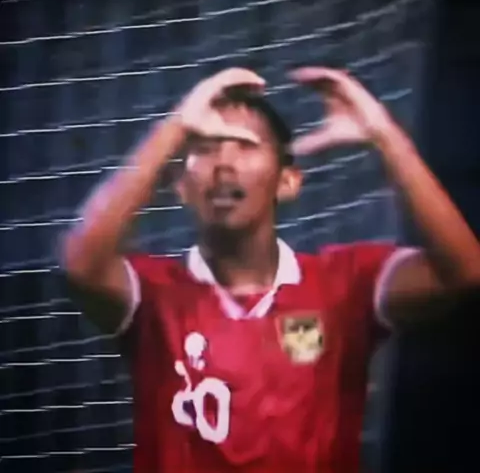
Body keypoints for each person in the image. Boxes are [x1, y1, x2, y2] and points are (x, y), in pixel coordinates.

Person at [60, 66, 480, 473]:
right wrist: (174, 127)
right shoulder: (154, 293)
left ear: (287, 181)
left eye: (246, 146)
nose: (224, 163)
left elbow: (464, 270)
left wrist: (386, 136)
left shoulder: (345, 284)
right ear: (182, 186)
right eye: (205, 147)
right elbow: (79, 265)